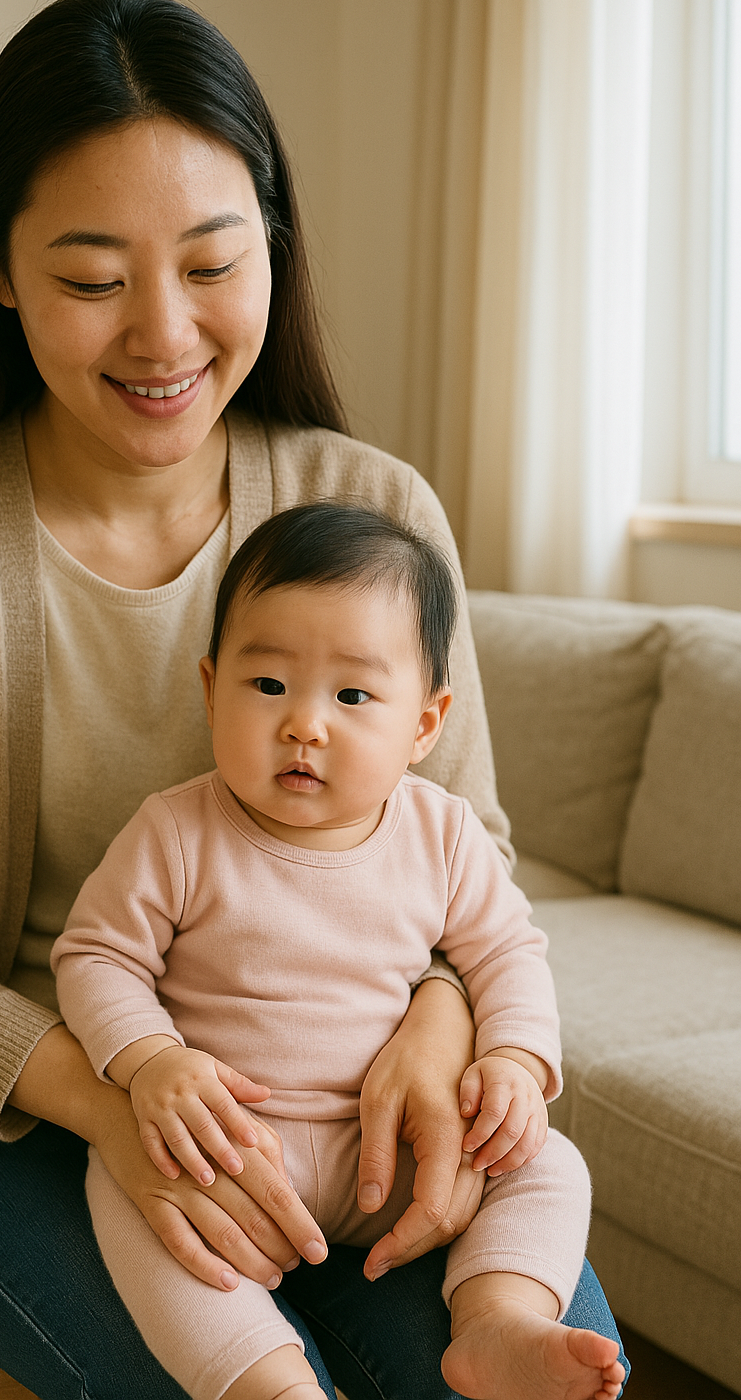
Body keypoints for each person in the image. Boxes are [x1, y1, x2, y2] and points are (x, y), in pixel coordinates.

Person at [0, 0, 628, 1400]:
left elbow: (461, 848)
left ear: (275, 251)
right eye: (95, 277)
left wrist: (440, 1023)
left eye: (213, 264)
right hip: (1, 1104)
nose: (163, 335)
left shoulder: (372, 507)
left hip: (342, 1084)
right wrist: (115, 1100)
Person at [53, 502, 624, 1400]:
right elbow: (95, 958)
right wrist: (151, 1059)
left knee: (548, 1161)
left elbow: (507, 951)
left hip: (389, 1151)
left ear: (425, 725)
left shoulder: (442, 833)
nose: (305, 725)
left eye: (353, 696)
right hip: (229, 1150)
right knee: (137, 1205)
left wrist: (514, 1056)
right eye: (268, 685)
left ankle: (496, 1319)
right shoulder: (177, 831)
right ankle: (267, 1382)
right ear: (211, 690)